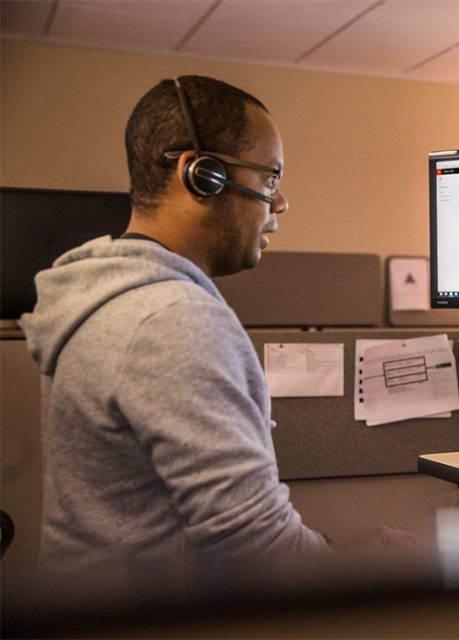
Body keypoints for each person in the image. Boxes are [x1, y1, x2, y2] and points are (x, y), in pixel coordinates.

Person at [21, 76, 412, 577]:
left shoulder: (112, 299)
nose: (280, 202)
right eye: (270, 177)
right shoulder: (171, 320)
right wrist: (360, 562)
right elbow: (253, 547)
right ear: (200, 175)